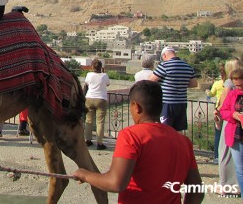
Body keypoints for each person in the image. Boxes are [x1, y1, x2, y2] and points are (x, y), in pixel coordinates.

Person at [72, 80, 204, 204]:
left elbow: (116, 182)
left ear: (136, 107)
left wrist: (85, 175)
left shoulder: (131, 136)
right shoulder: (183, 142)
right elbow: (197, 191)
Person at [149, 46, 197, 132]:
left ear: (164, 56)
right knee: (177, 131)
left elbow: (150, 80)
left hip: (167, 103)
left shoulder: (165, 65)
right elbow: (194, 84)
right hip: (181, 103)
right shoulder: (187, 66)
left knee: (164, 130)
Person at [216, 58, 243, 192]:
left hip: (232, 127)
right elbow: (225, 108)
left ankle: (227, 184)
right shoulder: (232, 88)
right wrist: (233, 115)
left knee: (225, 154)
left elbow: (222, 105)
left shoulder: (228, 82)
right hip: (233, 127)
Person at [84, 59, 110, 150]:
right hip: (101, 99)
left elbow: (86, 85)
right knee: (100, 122)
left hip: (89, 98)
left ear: (92, 67)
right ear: (101, 67)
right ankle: (99, 143)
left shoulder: (89, 75)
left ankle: (88, 140)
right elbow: (107, 84)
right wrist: (103, 72)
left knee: (89, 121)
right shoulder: (104, 75)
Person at [206, 63, 225, 163]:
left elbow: (211, 94)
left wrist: (207, 92)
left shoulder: (217, 83)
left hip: (219, 110)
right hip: (226, 110)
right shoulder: (231, 83)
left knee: (218, 133)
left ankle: (217, 156)